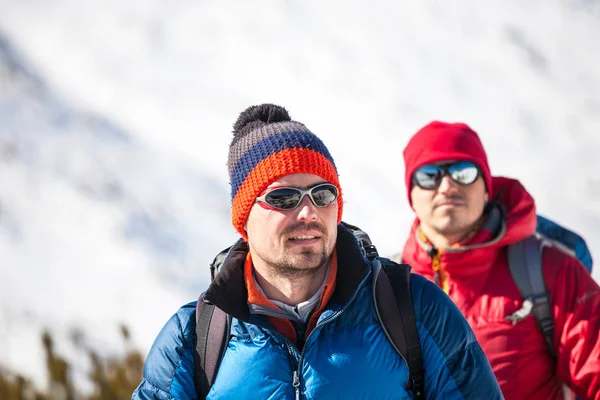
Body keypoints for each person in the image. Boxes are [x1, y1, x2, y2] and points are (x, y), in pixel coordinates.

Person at [132, 104, 502, 400]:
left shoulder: (415, 309)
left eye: (322, 195)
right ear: (244, 218)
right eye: (283, 197)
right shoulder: (194, 338)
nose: (308, 212)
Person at [397, 121, 600, 400]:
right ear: (411, 195)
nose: (446, 186)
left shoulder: (547, 268)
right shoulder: (389, 285)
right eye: (429, 175)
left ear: (486, 188)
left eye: (463, 172)